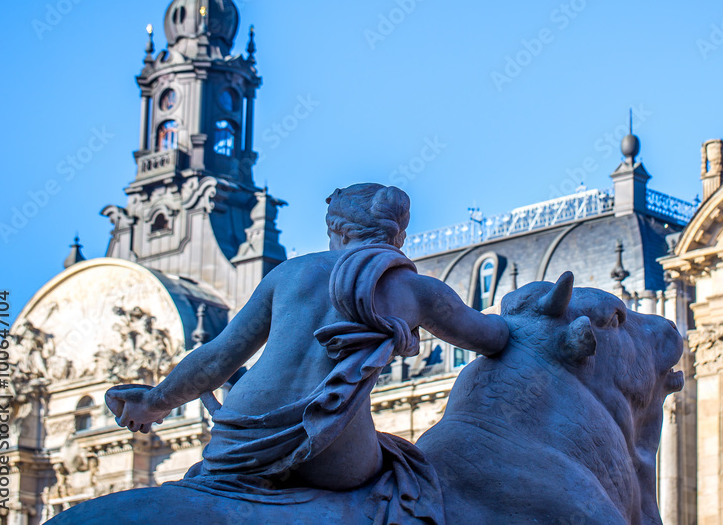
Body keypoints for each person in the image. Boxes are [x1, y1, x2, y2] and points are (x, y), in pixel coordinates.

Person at [105, 184, 509, 520]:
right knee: (408, 474)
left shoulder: (290, 273)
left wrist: (153, 401)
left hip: (242, 432)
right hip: (333, 440)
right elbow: (492, 338)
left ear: (337, 230)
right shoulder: (418, 291)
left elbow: (215, 358)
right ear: (398, 238)